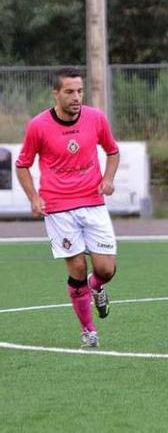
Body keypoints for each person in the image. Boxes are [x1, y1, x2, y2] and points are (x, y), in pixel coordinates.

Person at [14, 68, 120, 348]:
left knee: (106, 269)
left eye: (80, 91)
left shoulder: (96, 118)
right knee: (76, 270)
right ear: (56, 94)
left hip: (93, 203)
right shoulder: (38, 126)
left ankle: (97, 286)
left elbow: (112, 151)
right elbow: (22, 164)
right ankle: (88, 330)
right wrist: (34, 198)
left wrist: (108, 178)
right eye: (70, 92)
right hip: (59, 208)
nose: (76, 97)